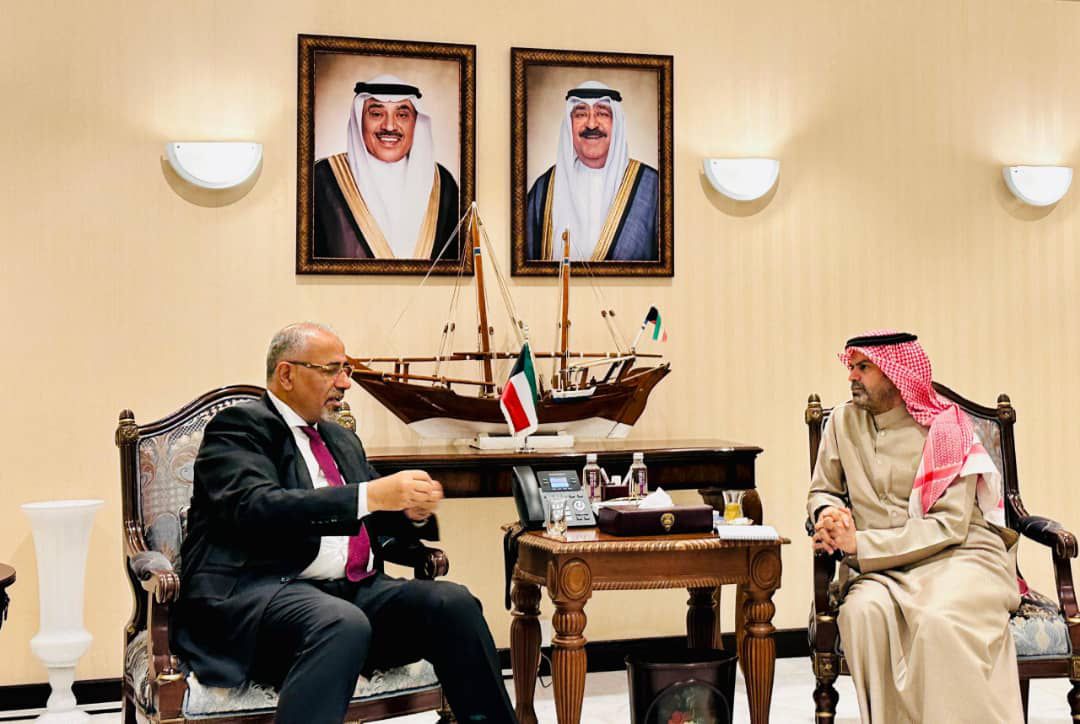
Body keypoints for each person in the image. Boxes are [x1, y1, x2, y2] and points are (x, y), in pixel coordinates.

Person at [172, 323, 515, 724]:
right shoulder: (238, 428)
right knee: (340, 623)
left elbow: (376, 518)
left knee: (452, 604)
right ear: (287, 374)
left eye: (346, 370)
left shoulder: (341, 440)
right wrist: (372, 496)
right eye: (332, 370)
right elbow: (256, 507)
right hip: (261, 596)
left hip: (352, 592)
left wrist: (412, 511)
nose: (345, 383)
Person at [808, 329, 1022, 724]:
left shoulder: (946, 429)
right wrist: (829, 514)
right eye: (851, 367)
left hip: (957, 558)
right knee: (862, 614)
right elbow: (824, 489)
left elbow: (950, 526)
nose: (852, 376)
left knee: (938, 620)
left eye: (863, 368)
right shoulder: (841, 422)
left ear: (895, 373)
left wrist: (860, 544)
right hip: (878, 571)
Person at [313, 74, 461, 261]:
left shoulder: (442, 184)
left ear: (416, 122)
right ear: (359, 120)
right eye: (377, 114)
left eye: (402, 115)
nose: (390, 126)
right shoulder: (323, 179)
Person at [525, 80, 658, 262]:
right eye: (581, 114)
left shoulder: (651, 188)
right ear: (570, 124)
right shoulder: (544, 189)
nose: (591, 124)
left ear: (616, 123)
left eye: (602, 113)